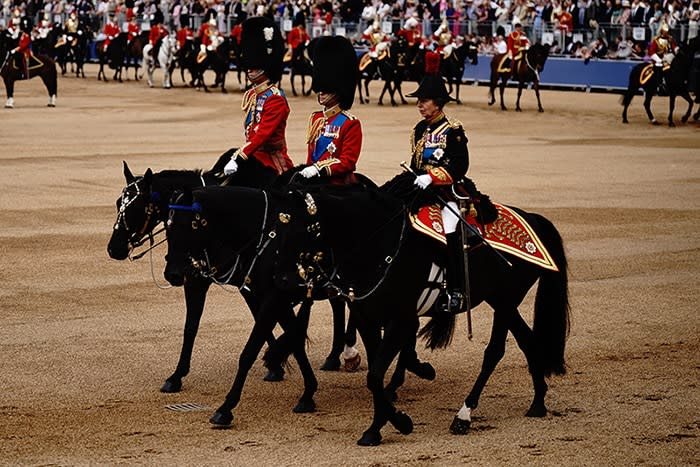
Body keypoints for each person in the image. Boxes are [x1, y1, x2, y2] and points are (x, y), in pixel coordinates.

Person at [406, 75, 470, 314]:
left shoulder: (453, 130)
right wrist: (415, 177)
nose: (420, 105)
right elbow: (415, 162)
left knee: (449, 227)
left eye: (424, 101)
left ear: (438, 102)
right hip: (421, 189)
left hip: (447, 191)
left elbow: (460, 165)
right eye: (419, 101)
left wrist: (433, 177)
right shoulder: (419, 129)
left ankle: (456, 288)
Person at [223, 16, 293, 177]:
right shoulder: (253, 95)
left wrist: (240, 156)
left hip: (272, 162)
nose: (249, 70)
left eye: (254, 66)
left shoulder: (275, 98)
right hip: (253, 155)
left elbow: (262, 134)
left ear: (265, 66)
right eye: (249, 65)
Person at [301, 35, 362, 185]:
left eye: (326, 90)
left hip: (336, 184)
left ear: (338, 91)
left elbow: (347, 161)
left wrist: (319, 168)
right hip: (314, 180)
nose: (321, 92)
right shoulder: (316, 119)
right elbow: (311, 156)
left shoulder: (350, 123)